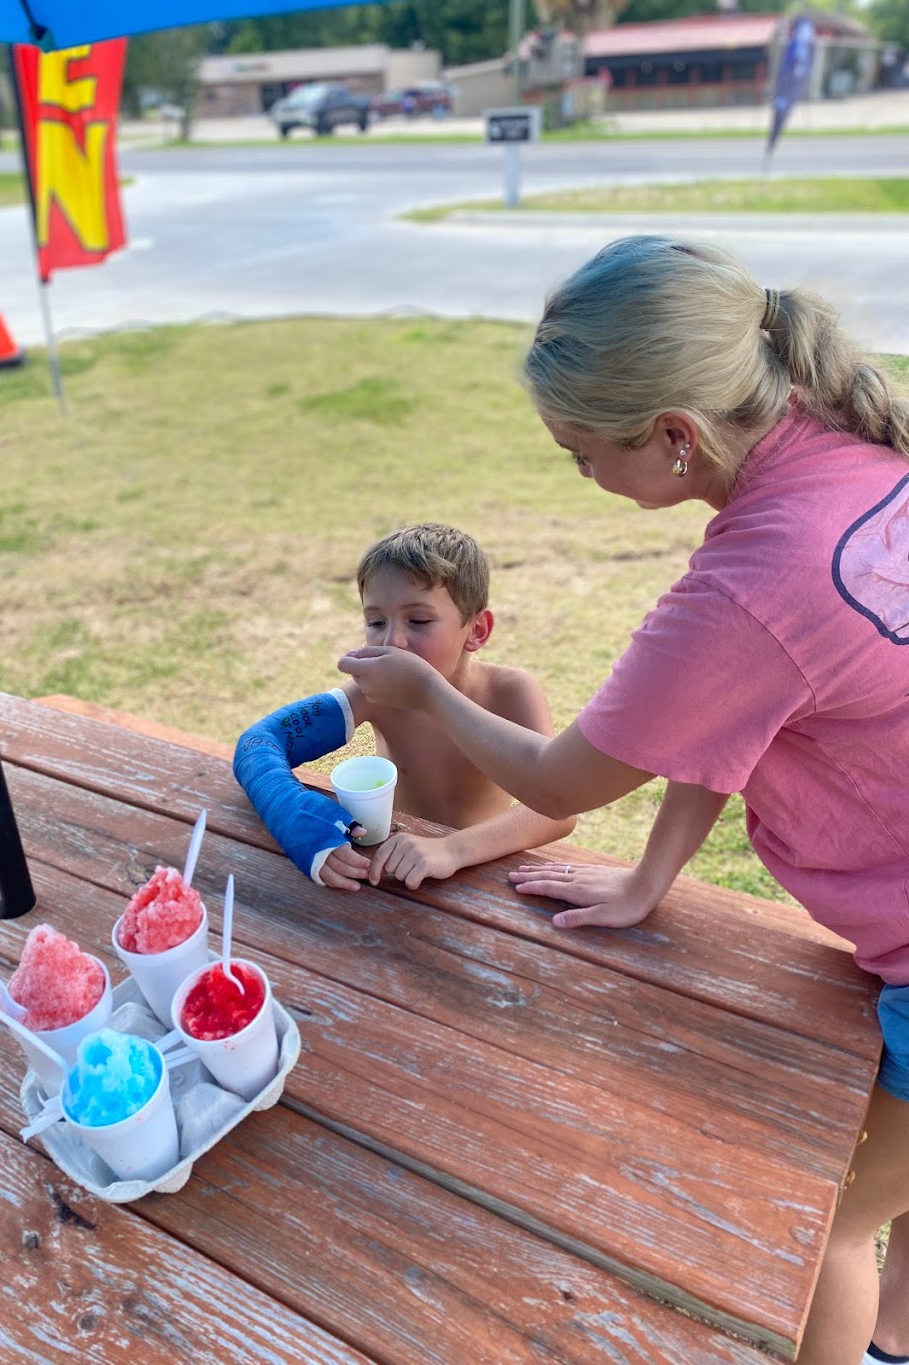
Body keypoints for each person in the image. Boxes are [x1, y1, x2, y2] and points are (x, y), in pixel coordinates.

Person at [337, 235, 909, 1365]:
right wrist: (651, 877)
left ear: (674, 437)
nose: (581, 477)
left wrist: (419, 692)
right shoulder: (844, 449)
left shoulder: (751, 585)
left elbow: (556, 779)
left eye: (579, 454)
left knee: (828, 1227)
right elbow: (735, 716)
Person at [233, 522, 576, 892]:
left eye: (419, 620)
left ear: (476, 630)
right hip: (394, 868)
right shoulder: (374, 692)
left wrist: (453, 849)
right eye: (376, 621)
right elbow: (259, 743)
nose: (393, 641)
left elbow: (559, 811)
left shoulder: (512, 692)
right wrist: (296, 817)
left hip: (485, 866)